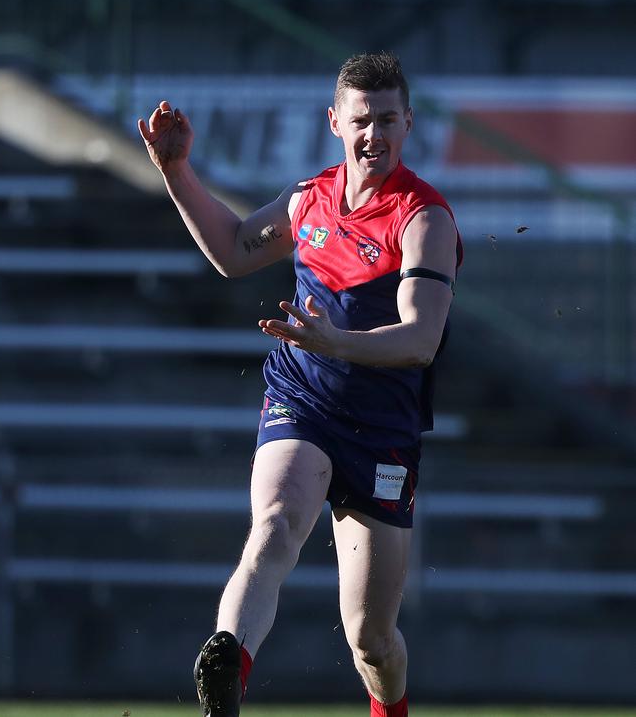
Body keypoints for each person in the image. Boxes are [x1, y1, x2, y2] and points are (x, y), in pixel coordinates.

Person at [138, 53, 462, 717]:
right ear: (335, 123)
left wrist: (338, 341)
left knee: (370, 640)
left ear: (409, 124)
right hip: (304, 401)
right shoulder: (308, 198)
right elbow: (232, 248)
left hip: (382, 434)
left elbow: (421, 338)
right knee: (276, 525)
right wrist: (176, 173)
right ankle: (227, 664)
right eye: (362, 120)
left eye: (389, 120)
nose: (375, 134)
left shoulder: (423, 218)